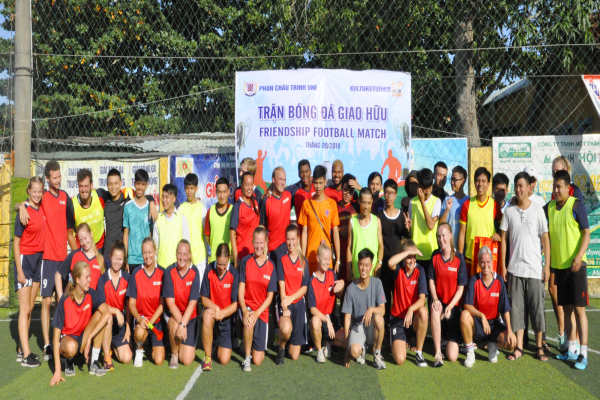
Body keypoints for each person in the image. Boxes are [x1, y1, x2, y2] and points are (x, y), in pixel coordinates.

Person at [16, 162, 77, 361]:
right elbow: (24, 204)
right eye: (55, 177)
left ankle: (59, 340)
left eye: (60, 176)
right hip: (46, 260)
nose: (58, 180)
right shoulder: (42, 198)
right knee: (46, 302)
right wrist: (21, 206)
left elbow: (70, 231)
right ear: (48, 179)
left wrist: (77, 255)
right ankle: (47, 345)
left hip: (63, 260)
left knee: (61, 302)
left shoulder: (66, 198)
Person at [499, 172, 550, 362]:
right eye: (516, 186)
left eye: (522, 185)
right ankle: (519, 347)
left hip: (535, 270)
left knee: (537, 309)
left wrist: (546, 267)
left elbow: (545, 239)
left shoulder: (538, 210)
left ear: (529, 188)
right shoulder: (509, 212)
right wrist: (504, 266)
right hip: (515, 270)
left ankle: (539, 347)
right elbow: (503, 239)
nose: (518, 189)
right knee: (517, 310)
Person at [545, 170, 590, 370]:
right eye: (554, 186)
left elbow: (587, 233)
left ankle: (583, 354)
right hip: (560, 267)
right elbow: (534, 209)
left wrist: (579, 257)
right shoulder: (551, 207)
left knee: (579, 310)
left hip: (576, 267)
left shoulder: (576, 205)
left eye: (559, 187)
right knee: (568, 310)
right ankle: (571, 349)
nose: (555, 190)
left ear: (567, 187)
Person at [50, 262, 111, 385]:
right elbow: (55, 337)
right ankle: (69, 360)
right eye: (87, 277)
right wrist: (57, 370)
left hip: (82, 338)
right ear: (77, 279)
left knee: (101, 315)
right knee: (71, 347)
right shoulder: (65, 299)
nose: (90, 279)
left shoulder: (91, 294)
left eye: (90, 276)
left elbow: (107, 314)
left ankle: (93, 362)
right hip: (67, 341)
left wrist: (90, 337)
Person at [460, 246, 516, 368]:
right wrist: (482, 316)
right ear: (479, 263)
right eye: (483, 262)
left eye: (488, 262)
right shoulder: (474, 280)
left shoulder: (499, 280)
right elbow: (467, 305)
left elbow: (505, 308)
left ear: (492, 262)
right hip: (478, 324)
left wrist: (510, 331)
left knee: (512, 343)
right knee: (464, 315)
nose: (486, 265)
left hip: (494, 325)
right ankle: (470, 352)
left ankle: (492, 344)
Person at [13, 176, 45, 367]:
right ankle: (26, 355)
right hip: (25, 262)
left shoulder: (41, 209)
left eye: (40, 191)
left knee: (30, 308)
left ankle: (20, 349)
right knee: (24, 309)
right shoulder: (23, 212)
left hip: (38, 262)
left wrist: (21, 205)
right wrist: (19, 270)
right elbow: (16, 243)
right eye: (34, 191)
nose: (37, 194)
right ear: (28, 191)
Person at [238, 227, 277, 372]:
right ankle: (246, 356)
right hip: (247, 307)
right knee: (248, 323)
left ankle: (250, 343)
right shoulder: (245, 262)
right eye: (256, 242)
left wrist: (257, 313)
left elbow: (270, 297)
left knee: (258, 360)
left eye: (261, 243)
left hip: (262, 313)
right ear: (253, 242)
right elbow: (241, 291)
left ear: (266, 242)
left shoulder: (271, 265)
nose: (259, 246)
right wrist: (245, 310)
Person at [429, 223, 468, 367]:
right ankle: (438, 353)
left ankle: (447, 341)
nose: (441, 239)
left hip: (453, 308)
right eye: (439, 236)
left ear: (450, 236)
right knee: (435, 308)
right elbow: (431, 281)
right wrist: (435, 299)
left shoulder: (459, 258)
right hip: (440, 303)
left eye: (444, 235)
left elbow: (461, 288)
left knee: (452, 356)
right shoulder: (435, 256)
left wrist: (450, 307)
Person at [342, 249, 386, 370]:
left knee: (378, 318)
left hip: (372, 326)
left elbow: (383, 310)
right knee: (354, 352)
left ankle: (377, 353)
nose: (364, 268)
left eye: (367, 265)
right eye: (361, 265)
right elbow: (347, 319)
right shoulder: (350, 289)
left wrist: (372, 309)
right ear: (358, 265)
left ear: (371, 266)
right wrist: (347, 350)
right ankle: (362, 348)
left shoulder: (377, 283)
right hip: (358, 326)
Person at [387, 240, 429, 367]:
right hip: (398, 320)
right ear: (404, 257)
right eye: (409, 257)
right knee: (400, 359)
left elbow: (422, 300)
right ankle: (399, 340)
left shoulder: (420, 271)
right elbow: (390, 262)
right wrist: (408, 252)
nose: (412, 261)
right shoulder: (398, 268)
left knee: (423, 311)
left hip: (413, 319)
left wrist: (411, 308)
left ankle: (419, 353)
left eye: (414, 257)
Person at [377, 178, 410, 331]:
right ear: (384, 194)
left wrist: (407, 229)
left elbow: (406, 240)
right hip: (383, 265)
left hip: (398, 267)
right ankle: (384, 333)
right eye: (387, 193)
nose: (389, 196)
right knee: (385, 301)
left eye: (392, 193)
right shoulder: (379, 217)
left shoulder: (401, 216)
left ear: (396, 195)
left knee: (399, 300)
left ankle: (400, 331)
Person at [200, 244, 239, 370]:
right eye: (219, 264)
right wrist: (216, 309)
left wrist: (222, 313)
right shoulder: (209, 269)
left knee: (224, 360)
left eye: (224, 264)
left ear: (229, 258)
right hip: (212, 312)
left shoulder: (233, 273)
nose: (222, 267)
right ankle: (207, 358)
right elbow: (204, 298)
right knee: (206, 317)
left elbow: (235, 304)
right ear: (216, 258)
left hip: (226, 316)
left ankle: (217, 343)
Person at [163, 240, 201, 368]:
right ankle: (174, 353)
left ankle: (179, 344)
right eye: (179, 254)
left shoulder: (195, 272)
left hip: (190, 317)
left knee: (186, 360)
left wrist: (184, 324)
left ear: (189, 255)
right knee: (174, 325)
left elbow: (192, 303)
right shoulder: (169, 271)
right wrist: (181, 324)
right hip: (175, 315)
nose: (182, 257)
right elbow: (170, 303)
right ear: (176, 254)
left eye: (185, 254)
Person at [459, 167, 502, 277]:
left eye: (483, 181)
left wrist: (499, 234)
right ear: (474, 183)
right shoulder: (467, 204)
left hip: (487, 259)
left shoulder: (494, 205)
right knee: (471, 291)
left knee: (486, 291)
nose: (480, 184)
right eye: (478, 181)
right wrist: (460, 257)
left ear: (488, 184)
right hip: (470, 257)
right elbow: (462, 233)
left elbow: (504, 227)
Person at [128, 238, 165, 367]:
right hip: (141, 320)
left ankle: (150, 344)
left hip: (155, 322)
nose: (147, 256)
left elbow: (162, 305)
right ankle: (139, 348)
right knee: (139, 333)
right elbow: (131, 304)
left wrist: (151, 323)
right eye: (144, 252)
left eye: (150, 252)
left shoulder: (162, 272)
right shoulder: (136, 273)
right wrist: (139, 319)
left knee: (159, 360)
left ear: (155, 251)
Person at [275, 225, 309, 365]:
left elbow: (304, 288)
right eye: (288, 239)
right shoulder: (282, 260)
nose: (290, 243)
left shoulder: (303, 261)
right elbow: (282, 285)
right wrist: (285, 305)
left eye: (293, 239)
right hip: (285, 303)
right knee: (286, 328)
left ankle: (286, 339)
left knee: (294, 356)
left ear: (298, 239)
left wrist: (292, 298)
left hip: (299, 305)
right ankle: (281, 347)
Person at [97, 241, 132, 370]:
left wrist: (128, 329)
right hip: (106, 321)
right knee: (109, 317)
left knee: (127, 358)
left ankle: (111, 345)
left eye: (120, 259)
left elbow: (129, 307)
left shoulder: (127, 278)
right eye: (115, 258)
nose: (117, 262)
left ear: (124, 261)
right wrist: (116, 311)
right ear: (110, 257)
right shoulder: (103, 279)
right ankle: (107, 356)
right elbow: (101, 305)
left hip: (120, 324)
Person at [299, 165, 341, 274]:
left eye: (320, 183)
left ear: (325, 182)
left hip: (327, 259)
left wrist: (338, 260)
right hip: (311, 257)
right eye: (316, 183)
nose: (318, 186)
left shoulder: (331, 204)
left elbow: (335, 233)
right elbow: (304, 232)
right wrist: (303, 257)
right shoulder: (307, 204)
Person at [308, 244, 346, 363]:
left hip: (331, 318)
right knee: (315, 321)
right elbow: (312, 309)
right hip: (319, 319)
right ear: (318, 258)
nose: (327, 262)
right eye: (324, 259)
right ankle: (319, 351)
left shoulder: (331, 273)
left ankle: (327, 342)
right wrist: (327, 320)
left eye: (329, 259)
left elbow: (340, 294)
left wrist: (342, 283)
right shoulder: (312, 281)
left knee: (346, 339)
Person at [56, 223, 109, 298]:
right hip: (76, 303)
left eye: (85, 238)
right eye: (81, 240)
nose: (84, 243)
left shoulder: (101, 259)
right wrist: (61, 298)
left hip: (93, 304)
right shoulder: (74, 255)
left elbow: (105, 285)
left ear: (91, 234)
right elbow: (58, 275)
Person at [347, 187, 384, 280]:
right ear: (359, 201)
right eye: (363, 202)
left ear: (372, 202)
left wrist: (379, 263)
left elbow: (381, 245)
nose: (366, 206)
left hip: (372, 273)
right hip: (357, 272)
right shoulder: (352, 222)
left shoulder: (377, 221)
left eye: (368, 203)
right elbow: (348, 247)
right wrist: (349, 269)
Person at [408, 168, 441, 268]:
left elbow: (431, 225)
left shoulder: (436, 201)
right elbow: (411, 229)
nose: (427, 191)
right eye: (424, 188)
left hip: (431, 253)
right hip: (415, 253)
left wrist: (422, 202)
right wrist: (407, 227)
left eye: (429, 187)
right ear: (419, 186)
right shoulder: (412, 202)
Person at [178, 173, 208, 281]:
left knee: (200, 291)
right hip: (184, 258)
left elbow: (206, 235)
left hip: (199, 257)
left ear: (196, 189)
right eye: (187, 188)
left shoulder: (202, 209)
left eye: (192, 188)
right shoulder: (180, 209)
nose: (189, 191)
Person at [153, 184, 190, 269]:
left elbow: (187, 242)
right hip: (161, 266)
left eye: (167, 197)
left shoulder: (182, 218)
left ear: (173, 199)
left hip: (178, 266)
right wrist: (155, 261)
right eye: (163, 197)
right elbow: (155, 244)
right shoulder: (158, 219)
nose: (164, 200)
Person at [123, 169, 154, 271]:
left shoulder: (150, 207)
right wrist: (125, 259)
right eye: (138, 184)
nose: (140, 187)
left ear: (147, 185)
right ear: (134, 184)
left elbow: (151, 233)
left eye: (143, 184)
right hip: (132, 260)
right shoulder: (128, 206)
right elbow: (126, 233)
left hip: (146, 259)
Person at [260, 166, 292, 264]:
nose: (283, 182)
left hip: (287, 248)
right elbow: (261, 226)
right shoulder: (266, 201)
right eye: (280, 179)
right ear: (273, 180)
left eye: (284, 180)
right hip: (273, 250)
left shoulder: (289, 196)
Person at [70, 169, 107, 251]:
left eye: (86, 186)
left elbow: (115, 197)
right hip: (82, 249)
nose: (83, 190)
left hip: (100, 247)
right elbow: (69, 234)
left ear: (91, 185)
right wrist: (77, 255)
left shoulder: (100, 195)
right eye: (81, 186)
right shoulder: (72, 205)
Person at [230, 172, 261, 268]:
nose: (249, 188)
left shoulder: (256, 202)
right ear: (242, 185)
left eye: (251, 185)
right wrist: (236, 258)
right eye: (246, 185)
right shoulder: (237, 206)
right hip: (242, 256)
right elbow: (232, 233)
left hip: (256, 255)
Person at [337, 174, 360, 285]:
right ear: (341, 188)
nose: (347, 194)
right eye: (345, 190)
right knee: (340, 292)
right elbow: (328, 228)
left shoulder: (357, 206)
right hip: (339, 257)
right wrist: (338, 229)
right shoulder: (334, 206)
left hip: (354, 256)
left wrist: (359, 187)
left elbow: (370, 201)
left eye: (351, 191)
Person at [205, 177, 233, 263]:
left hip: (229, 260)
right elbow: (207, 235)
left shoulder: (233, 211)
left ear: (228, 192)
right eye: (219, 192)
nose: (222, 195)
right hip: (214, 260)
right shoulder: (210, 211)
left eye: (224, 192)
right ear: (216, 192)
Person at [440, 166, 468, 247]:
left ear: (463, 181)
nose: (452, 182)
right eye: (451, 179)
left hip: (465, 250)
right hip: (449, 249)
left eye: (454, 180)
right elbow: (441, 225)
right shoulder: (447, 200)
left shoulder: (469, 202)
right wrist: (447, 210)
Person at [287, 159, 316, 223]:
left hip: (315, 231)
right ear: (298, 174)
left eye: (306, 171)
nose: (304, 174)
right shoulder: (295, 192)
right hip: (301, 232)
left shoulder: (316, 188)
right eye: (302, 172)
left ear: (310, 172)